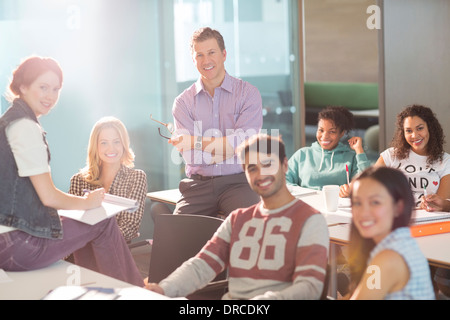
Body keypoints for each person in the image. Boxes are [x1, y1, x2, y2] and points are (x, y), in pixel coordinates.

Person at [0, 56, 143, 287]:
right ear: (23, 86)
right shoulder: (26, 128)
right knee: (102, 220)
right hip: (18, 247)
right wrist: (88, 202)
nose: (50, 96)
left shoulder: (7, 123)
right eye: (43, 87)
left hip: (8, 243)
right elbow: (49, 197)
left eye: (55, 89)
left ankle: (95, 289)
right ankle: (135, 292)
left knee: (82, 224)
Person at [145, 134, 330, 299]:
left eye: (267, 164)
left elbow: (309, 288)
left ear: (285, 165)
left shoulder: (310, 220)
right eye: (252, 168)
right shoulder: (238, 219)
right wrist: (163, 289)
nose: (260, 174)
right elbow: (201, 266)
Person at [167, 27, 262, 217]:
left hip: (239, 183)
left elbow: (242, 146)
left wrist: (195, 142)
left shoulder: (248, 94)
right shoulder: (183, 102)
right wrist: (228, 148)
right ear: (193, 60)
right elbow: (193, 157)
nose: (206, 60)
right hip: (198, 185)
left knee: (253, 228)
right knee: (175, 238)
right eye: (199, 55)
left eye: (211, 53)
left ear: (224, 54)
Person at [346, 166, 435, 300]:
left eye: (375, 202)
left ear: (398, 207)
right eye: (357, 203)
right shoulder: (403, 242)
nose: (363, 212)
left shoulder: (387, 259)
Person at [69, 116, 147, 242]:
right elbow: (72, 223)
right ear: (96, 146)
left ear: (124, 144)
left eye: (116, 142)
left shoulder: (136, 177)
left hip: (113, 250)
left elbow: (130, 226)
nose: (111, 149)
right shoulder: (79, 180)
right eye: (104, 143)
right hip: (81, 250)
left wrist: (98, 240)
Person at [286, 106, 371, 198]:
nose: (324, 136)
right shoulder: (302, 154)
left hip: (337, 207)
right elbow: (285, 181)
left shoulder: (351, 157)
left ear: (342, 133)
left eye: (332, 132)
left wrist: (359, 151)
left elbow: (365, 183)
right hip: (306, 205)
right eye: (321, 130)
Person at [375, 104, 450, 208]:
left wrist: (433, 204)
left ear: (430, 128)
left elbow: (441, 204)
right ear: (403, 133)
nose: (414, 135)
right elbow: (368, 184)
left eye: (419, 128)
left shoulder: (446, 161)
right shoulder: (390, 156)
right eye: (409, 131)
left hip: (427, 219)